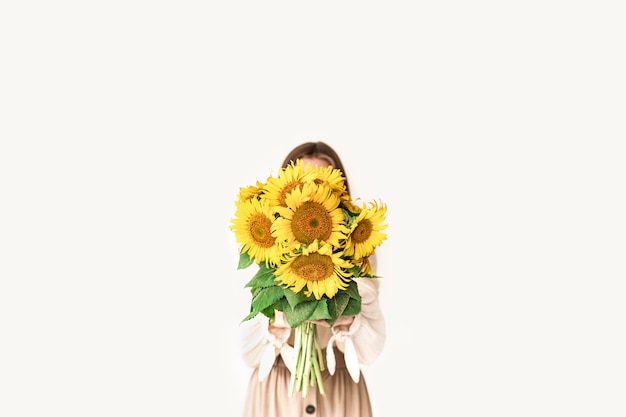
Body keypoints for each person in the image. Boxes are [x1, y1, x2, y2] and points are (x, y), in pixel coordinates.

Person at [239, 142, 386, 417]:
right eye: (302, 183)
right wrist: (280, 319)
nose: (311, 194)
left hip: (340, 391)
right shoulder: (264, 245)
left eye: (322, 185)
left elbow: (370, 352)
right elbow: (247, 353)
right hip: (276, 392)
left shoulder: (358, 248)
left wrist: (349, 318)